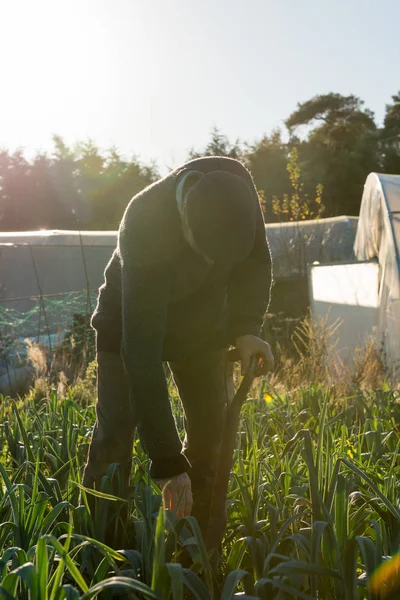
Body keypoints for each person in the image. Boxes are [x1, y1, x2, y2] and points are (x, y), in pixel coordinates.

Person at [83, 155, 273, 551]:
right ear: (185, 217)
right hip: (128, 323)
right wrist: (167, 461)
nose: (210, 265)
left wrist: (246, 329)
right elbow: (142, 355)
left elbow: (255, 264)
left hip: (200, 324)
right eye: (205, 255)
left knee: (210, 432)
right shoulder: (145, 222)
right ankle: (106, 551)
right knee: (115, 438)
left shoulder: (238, 189)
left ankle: (193, 547)